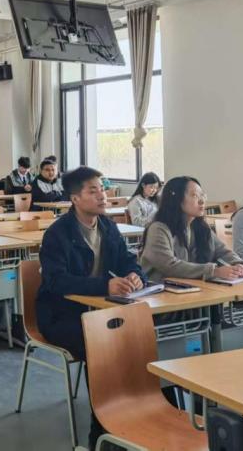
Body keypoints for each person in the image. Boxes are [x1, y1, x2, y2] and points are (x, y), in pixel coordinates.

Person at [35, 166, 145, 449]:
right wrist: (104, 286)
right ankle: (102, 428)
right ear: (75, 199)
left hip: (99, 310)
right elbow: (56, 281)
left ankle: (137, 413)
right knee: (102, 344)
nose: (102, 196)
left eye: (102, 189)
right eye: (93, 191)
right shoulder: (57, 234)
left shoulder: (107, 226)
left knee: (141, 337)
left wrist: (136, 276)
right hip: (60, 314)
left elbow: (127, 260)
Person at [139, 176, 243, 282]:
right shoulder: (158, 229)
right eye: (194, 195)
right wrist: (214, 271)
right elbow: (170, 266)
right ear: (176, 199)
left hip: (191, 290)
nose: (202, 201)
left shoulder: (201, 227)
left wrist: (239, 265)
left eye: (202, 195)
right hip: (160, 292)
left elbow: (223, 252)